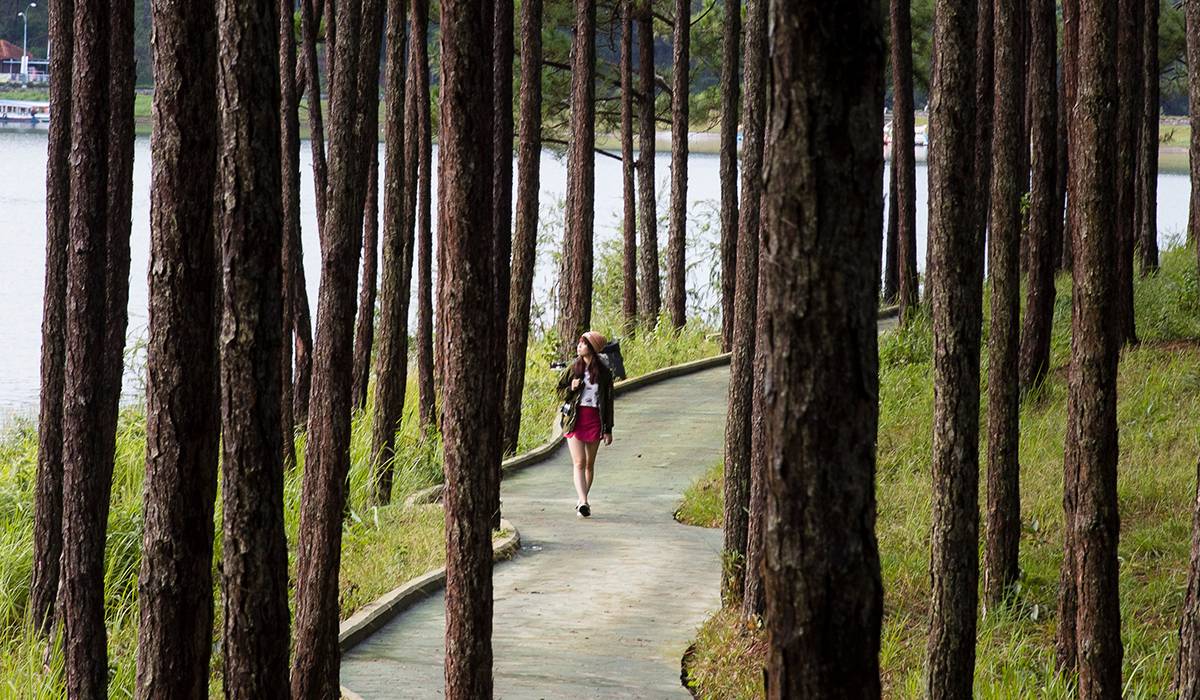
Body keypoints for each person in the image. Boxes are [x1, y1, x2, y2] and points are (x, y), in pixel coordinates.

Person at [556, 330, 615, 518]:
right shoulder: (574, 368)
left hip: (595, 419)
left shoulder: (604, 373)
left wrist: (608, 429)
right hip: (575, 418)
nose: (579, 346)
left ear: (592, 349)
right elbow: (558, 391)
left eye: (583, 344)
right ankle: (583, 501)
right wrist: (571, 388)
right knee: (579, 462)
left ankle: (583, 499)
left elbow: (608, 403)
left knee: (589, 464)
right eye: (579, 343)